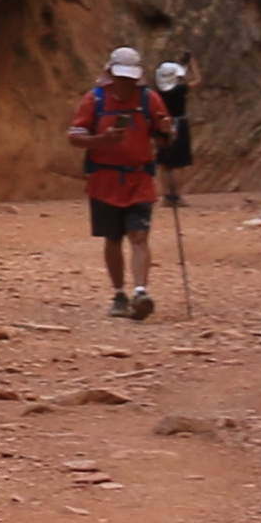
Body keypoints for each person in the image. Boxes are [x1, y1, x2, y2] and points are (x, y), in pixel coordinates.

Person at [72, 46, 172, 319]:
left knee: (139, 236)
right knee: (113, 238)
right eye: (121, 76)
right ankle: (118, 293)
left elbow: (163, 136)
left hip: (139, 179)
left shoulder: (149, 100)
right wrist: (101, 140)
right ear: (111, 74)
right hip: (104, 181)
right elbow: (75, 135)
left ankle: (140, 292)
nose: (126, 82)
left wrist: (167, 131)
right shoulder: (94, 100)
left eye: (130, 77)